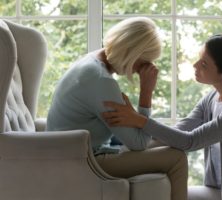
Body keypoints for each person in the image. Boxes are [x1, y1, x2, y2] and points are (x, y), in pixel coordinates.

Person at [102, 34, 222, 200]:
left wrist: (139, 119)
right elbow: (179, 131)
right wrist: (123, 146)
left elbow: (190, 141)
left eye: (204, 63)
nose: (195, 65)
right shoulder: (212, 98)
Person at [46, 17, 188, 200]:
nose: (140, 70)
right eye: (143, 62)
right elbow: (138, 144)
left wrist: (137, 120)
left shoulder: (91, 62)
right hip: (85, 161)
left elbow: (134, 137)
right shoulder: (101, 80)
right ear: (132, 53)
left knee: (168, 142)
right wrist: (147, 91)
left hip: (77, 153)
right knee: (176, 158)